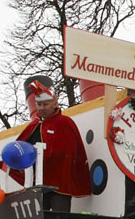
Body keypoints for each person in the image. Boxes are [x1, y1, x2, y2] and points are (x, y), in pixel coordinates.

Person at [10, 80, 90, 212]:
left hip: (60, 182)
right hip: (38, 183)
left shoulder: (64, 122)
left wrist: (44, 155)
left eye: (45, 104)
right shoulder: (33, 125)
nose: (41, 108)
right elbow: (21, 147)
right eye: (39, 104)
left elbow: (69, 151)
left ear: (54, 103)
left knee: (60, 218)